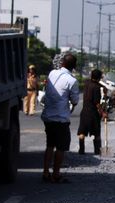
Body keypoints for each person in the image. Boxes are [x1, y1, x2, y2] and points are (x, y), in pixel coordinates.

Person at [41, 53, 79, 183]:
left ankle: (46, 172)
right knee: (61, 147)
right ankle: (56, 174)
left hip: (47, 116)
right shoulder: (72, 80)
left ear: (62, 63)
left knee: (50, 145)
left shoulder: (52, 73)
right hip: (61, 118)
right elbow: (74, 100)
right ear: (74, 66)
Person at [77, 69, 105, 155]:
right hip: (93, 113)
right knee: (96, 132)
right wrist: (102, 112)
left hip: (84, 111)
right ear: (99, 77)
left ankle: (81, 150)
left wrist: (103, 87)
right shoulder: (96, 88)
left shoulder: (86, 83)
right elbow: (97, 103)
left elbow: (96, 83)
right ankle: (97, 150)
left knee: (82, 131)